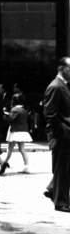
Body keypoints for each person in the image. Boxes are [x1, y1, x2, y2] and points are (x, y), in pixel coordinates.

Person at [43, 57, 70, 212]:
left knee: (64, 167)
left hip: (65, 134)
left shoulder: (63, 85)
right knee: (62, 168)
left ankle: (53, 189)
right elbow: (50, 114)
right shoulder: (56, 87)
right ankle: (61, 202)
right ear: (62, 68)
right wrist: (60, 133)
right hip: (62, 135)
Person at [1, 93, 32, 173]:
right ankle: (26, 166)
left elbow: (10, 119)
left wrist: (4, 114)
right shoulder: (24, 110)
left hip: (15, 131)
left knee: (10, 149)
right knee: (22, 149)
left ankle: (4, 163)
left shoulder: (14, 110)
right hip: (23, 131)